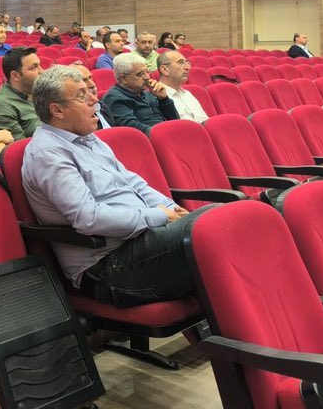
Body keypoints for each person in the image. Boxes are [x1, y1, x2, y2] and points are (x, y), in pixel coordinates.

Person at [22, 66, 208, 308]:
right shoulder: (48, 154)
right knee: (211, 228)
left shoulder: (89, 139)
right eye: (81, 95)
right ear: (57, 110)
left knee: (217, 222)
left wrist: (172, 209)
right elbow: (87, 218)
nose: (94, 99)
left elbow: (134, 183)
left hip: (141, 243)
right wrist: (159, 216)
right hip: (108, 267)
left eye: (89, 91)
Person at [102, 53, 179, 135]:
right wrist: (165, 134)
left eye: (147, 72)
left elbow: (175, 120)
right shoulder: (114, 98)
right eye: (140, 74)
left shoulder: (148, 93)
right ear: (123, 78)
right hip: (150, 141)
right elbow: (133, 129)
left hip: (166, 135)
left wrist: (164, 99)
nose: (147, 77)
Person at [0, 47, 43, 139]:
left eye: (39, 65)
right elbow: (17, 150)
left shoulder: (40, 91)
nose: (42, 71)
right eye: (33, 67)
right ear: (16, 76)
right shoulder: (2, 105)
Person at [157, 51, 209, 124]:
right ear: (164, 69)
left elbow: (205, 121)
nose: (187, 67)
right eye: (181, 62)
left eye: (187, 62)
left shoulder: (187, 93)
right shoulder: (157, 97)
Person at [72, 61, 114, 130]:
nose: (92, 84)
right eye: (84, 80)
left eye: (90, 77)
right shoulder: (76, 117)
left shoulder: (101, 105)